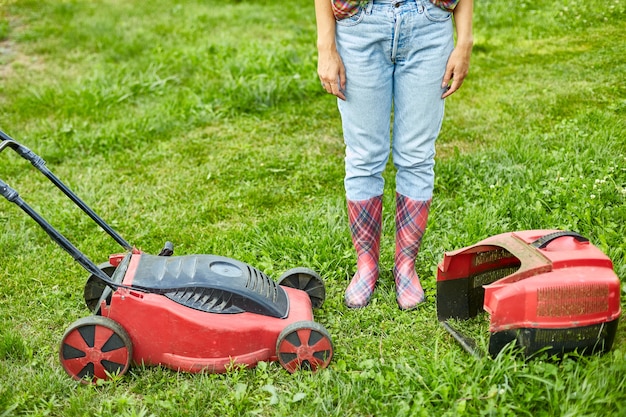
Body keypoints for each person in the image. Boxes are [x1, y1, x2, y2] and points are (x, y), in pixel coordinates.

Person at [314, 0, 473, 310]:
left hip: (428, 25)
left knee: (416, 156)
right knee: (363, 156)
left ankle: (405, 268)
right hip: (360, 26)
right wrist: (326, 46)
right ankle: (366, 267)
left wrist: (464, 40)